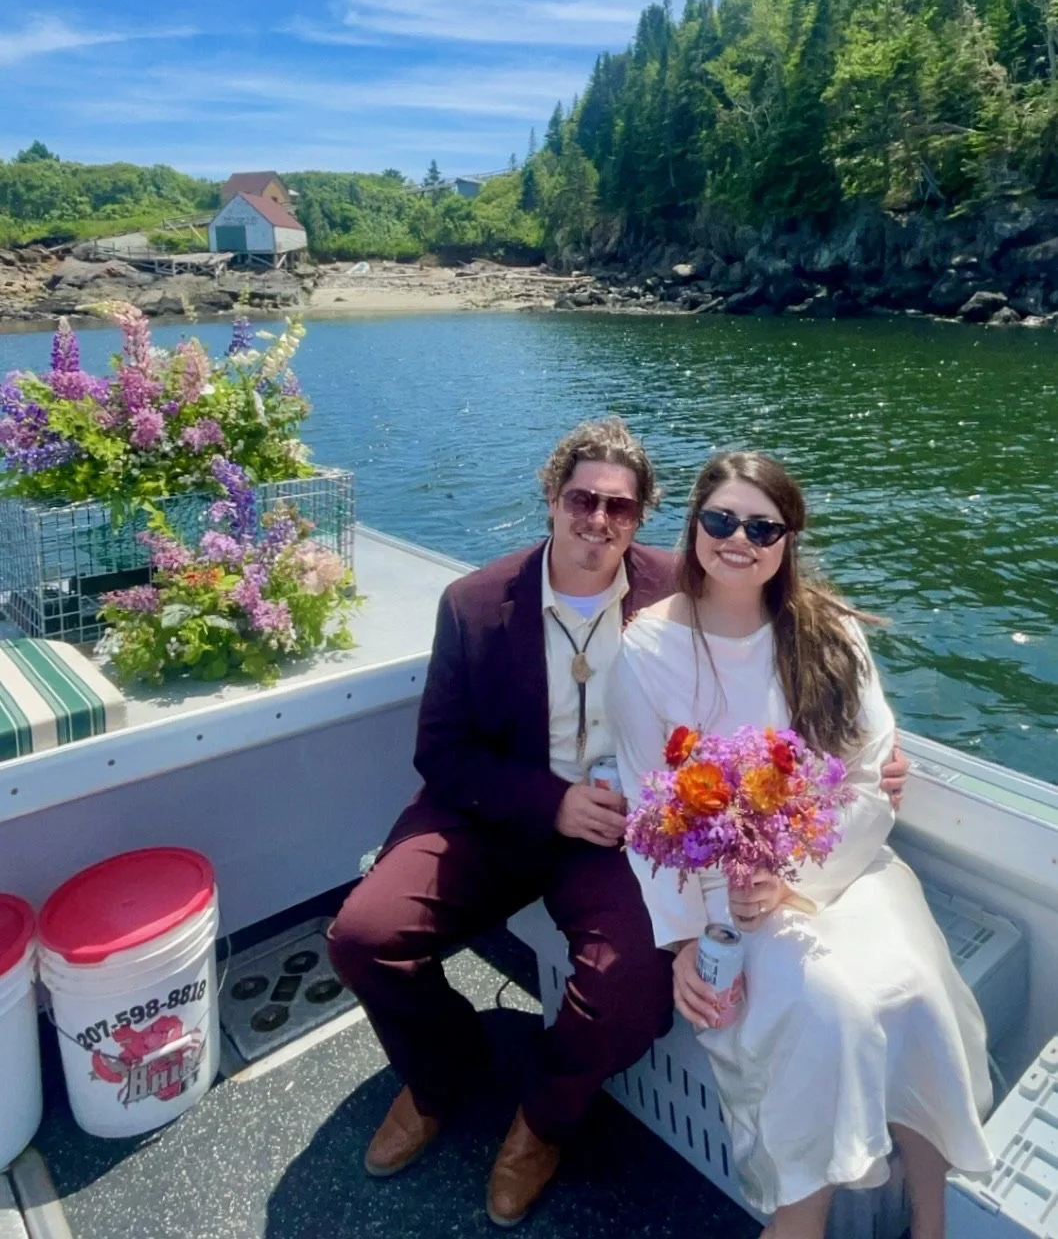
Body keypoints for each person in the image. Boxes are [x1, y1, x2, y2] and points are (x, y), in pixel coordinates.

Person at [608, 450, 993, 1239]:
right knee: (832, 1012)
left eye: (762, 525)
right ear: (694, 526)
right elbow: (650, 818)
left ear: (787, 539)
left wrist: (795, 876)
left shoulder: (828, 632)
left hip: (839, 865)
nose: (738, 539)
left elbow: (863, 781)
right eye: (720, 520)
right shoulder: (646, 652)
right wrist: (684, 945)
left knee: (917, 990)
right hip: (725, 893)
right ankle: (799, 1223)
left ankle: (932, 1221)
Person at [327, 417, 681, 1228]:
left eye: (619, 508)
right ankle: (442, 1074)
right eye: (582, 499)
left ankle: (543, 1120)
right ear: (552, 500)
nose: (598, 521)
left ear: (641, 517)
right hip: (490, 811)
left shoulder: (677, 592)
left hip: (612, 835)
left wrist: (854, 743)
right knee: (363, 938)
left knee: (633, 988)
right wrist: (548, 800)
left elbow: (768, 640)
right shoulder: (477, 603)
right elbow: (442, 753)